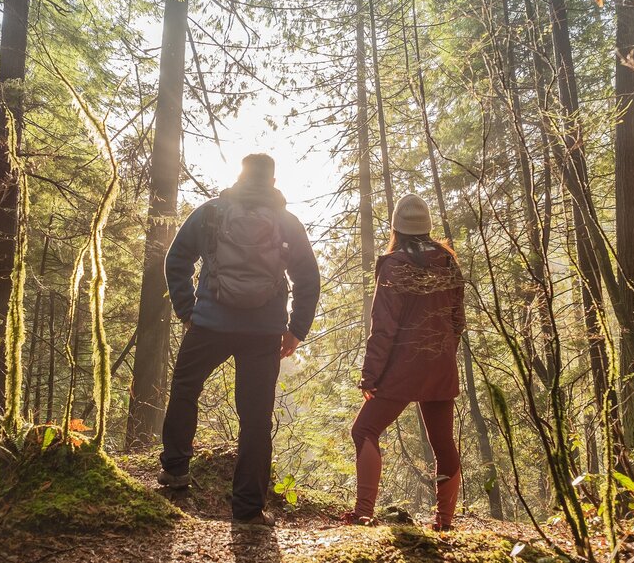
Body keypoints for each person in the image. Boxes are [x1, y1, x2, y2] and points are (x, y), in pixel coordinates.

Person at [158, 153, 321, 527]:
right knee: (255, 419)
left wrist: (187, 310)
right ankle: (248, 509)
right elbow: (308, 280)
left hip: (210, 324)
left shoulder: (211, 213)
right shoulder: (286, 222)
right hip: (263, 332)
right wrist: (296, 329)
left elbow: (177, 261)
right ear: (273, 179)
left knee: (185, 387)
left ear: (241, 174)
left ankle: (176, 471)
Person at [348, 193, 465, 531]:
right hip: (440, 364)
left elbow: (383, 328)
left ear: (396, 228)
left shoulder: (394, 265)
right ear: (427, 227)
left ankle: (364, 514)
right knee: (443, 443)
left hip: (401, 369)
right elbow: (458, 320)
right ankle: (444, 522)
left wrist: (370, 376)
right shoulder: (447, 262)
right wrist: (444, 355)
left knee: (364, 429)